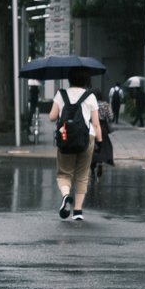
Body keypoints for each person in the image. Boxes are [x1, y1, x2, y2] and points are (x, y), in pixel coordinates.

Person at [48, 68, 103, 222]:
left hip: (65, 137)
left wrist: (58, 108)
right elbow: (96, 124)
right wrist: (100, 142)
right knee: (82, 174)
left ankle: (66, 196)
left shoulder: (61, 94)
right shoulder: (90, 96)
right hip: (87, 138)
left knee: (64, 173)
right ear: (86, 80)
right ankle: (78, 211)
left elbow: (52, 117)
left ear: (69, 79)